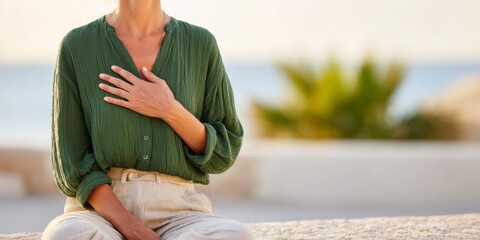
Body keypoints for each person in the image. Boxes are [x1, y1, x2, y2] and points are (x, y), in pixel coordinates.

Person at [42, 0, 254, 239]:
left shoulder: (201, 44)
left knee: (237, 235)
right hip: (101, 214)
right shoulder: (77, 46)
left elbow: (223, 153)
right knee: (65, 234)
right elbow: (72, 164)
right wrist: (132, 229)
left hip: (181, 213)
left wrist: (169, 109)